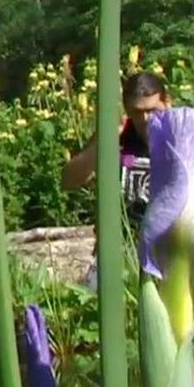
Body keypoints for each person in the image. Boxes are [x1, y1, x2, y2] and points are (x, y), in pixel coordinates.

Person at [61, 71, 171, 286]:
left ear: (167, 102)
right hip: (117, 250)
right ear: (128, 109)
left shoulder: (180, 135)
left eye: (152, 110)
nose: (146, 120)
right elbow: (68, 181)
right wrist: (104, 141)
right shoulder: (119, 136)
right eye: (138, 112)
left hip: (168, 250)